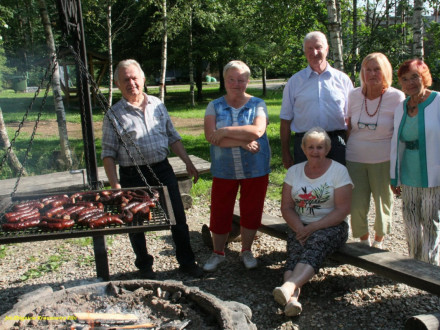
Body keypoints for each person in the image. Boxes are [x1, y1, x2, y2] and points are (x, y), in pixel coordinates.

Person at [101, 59, 203, 278]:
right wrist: (116, 186)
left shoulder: (157, 104)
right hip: (132, 174)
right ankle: (145, 267)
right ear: (117, 84)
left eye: (135, 78)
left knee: (177, 218)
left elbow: (172, 136)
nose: (131, 83)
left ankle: (187, 262)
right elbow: (108, 154)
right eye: (125, 79)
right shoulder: (113, 114)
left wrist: (187, 162)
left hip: (162, 169)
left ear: (143, 79)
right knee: (135, 224)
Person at [273, 127, 352, 316]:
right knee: (295, 252)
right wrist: (300, 227)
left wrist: (313, 227)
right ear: (303, 148)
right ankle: (291, 301)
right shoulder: (294, 171)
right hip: (300, 224)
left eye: (320, 147)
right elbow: (286, 207)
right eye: (311, 147)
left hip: (332, 226)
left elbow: (343, 209)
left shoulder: (339, 171)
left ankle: (288, 286)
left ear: (327, 149)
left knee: (315, 243)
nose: (315, 151)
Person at [202, 60, 271, 272]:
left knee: (252, 209)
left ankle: (246, 251)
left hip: (255, 168)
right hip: (225, 169)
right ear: (224, 80)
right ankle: (218, 252)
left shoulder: (258, 104)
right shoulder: (214, 105)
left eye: (241, 80)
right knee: (220, 210)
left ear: (247, 81)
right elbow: (211, 137)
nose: (236, 83)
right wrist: (241, 140)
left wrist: (225, 131)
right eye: (231, 79)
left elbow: (258, 131)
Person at [346, 53, 405, 248]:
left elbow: (400, 132)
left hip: (384, 159)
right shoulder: (353, 95)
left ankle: (379, 241)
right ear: (362, 72)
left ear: (385, 71)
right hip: (355, 158)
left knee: (383, 203)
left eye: (377, 69)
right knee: (357, 203)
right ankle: (363, 239)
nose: (372, 73)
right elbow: (348, 126)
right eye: (368, 69)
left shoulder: (396, 97)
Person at [390, 59, 440, 266]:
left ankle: (429, 266)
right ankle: (414, 263)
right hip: (408, 171)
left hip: (433, 172)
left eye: (414, 77)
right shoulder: (401, 107)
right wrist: (394, 176)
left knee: (430, 221)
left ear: (424, 77)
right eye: (404, 79)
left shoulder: (438, 101)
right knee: (410, 221)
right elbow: (395, 142)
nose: (410, 82)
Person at [280, 31, 353, 168]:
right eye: (310, 48)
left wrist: (351, 149)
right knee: (306, 187)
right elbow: (285, 120)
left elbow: (351, 120)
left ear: (327, 49)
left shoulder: (342, 80)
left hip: (336, 144)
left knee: (337, 187)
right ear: (304, 52)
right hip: (304, 145)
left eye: (318, 47)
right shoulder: (295, 82)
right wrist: (285, 152)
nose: (314, 52)